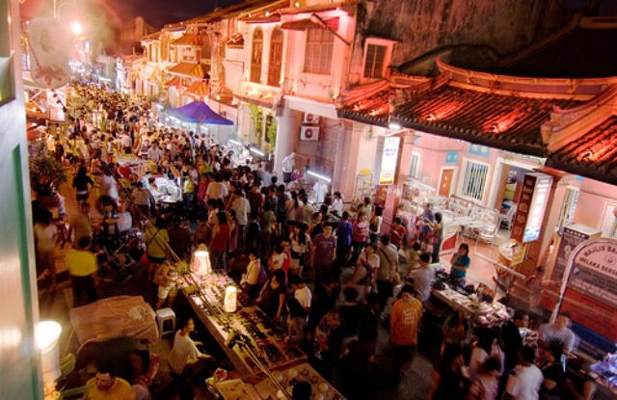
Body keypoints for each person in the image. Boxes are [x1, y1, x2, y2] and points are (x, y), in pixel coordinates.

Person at [390, 284, 423, 384]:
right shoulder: (398, 304)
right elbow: (392, 324)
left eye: (407, 296)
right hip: (401, 339)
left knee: (403, 359)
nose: (405, 298)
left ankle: (399, 373)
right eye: (404, 296)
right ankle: (397, 376)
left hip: (408, 340)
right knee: (399, 360)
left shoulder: (417, 304)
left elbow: (419, 319)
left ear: (413, 294)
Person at [66, 236, 98, 307]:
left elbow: (69, 268)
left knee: (77, 296)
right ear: (89, 245)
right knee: (92, 295)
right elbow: (93, 273)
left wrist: (70, 278)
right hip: (87, 279)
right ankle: (92, 308)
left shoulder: (70, 254)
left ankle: (76, 310)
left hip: (75, 278)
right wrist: (96, 281)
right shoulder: (90, 256)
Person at [376, 234, 399, 309]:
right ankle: (384, 304)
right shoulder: (394, 247)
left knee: (381, 291)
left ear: (382, 241)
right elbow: (396, 262)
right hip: (391, 274)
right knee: (387, 290)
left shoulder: (379, 250)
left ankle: (380, 306)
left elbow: (377, 263)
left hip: (382, 274)